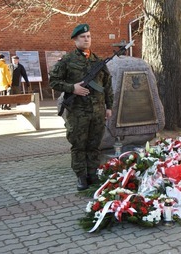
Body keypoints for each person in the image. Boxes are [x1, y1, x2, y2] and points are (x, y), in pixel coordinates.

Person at [49, 24, 114, 191]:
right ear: (75, 40)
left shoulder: (98, 62)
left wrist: (109, 107)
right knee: (79, 145)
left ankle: (92, 173)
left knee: (94, 144)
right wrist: (73, 88)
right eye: (83, 37)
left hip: (97, 111)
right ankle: (80, 176)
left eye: (89, 36)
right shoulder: (67, 61)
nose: (87, 39)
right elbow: (53, 82)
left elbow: (107, 86)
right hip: (77, 112)